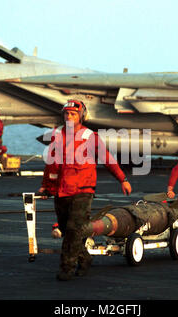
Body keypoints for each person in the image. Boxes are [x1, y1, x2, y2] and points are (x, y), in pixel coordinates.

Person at [38, 99, 132, 281]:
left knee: (74, 229)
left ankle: (67, 268)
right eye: (66, 113)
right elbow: (51, 164)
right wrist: (46, 186)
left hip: (83, 190)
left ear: (81, 116)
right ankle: (85, 258)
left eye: (73, 114)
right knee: (67, 230)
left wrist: (123, 179)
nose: (69, 117)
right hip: (62, 191)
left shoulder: (90, 136)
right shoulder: (57, 134)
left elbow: (108, 159)